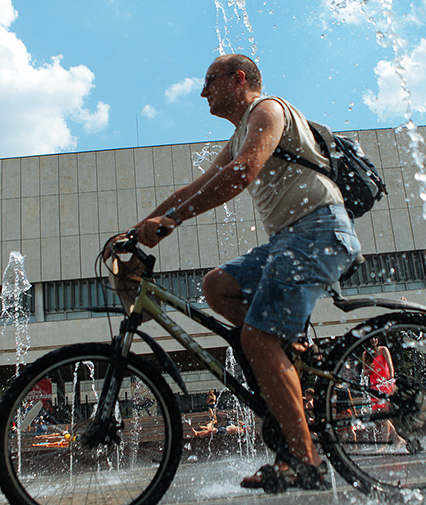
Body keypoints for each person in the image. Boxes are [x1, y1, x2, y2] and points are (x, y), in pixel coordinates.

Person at [126, 54, 359, 491]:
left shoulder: (268, 110)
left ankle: (306, 461)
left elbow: (244, 172)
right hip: (290, 239)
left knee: (256, 339)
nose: (202, 92)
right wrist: (135, 231)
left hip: (318, 230)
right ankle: (289, 352)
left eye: (209, 81)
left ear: (238, 79)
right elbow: (194, 188)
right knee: (217, 286)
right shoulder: (239, 133)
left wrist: (174, 220)